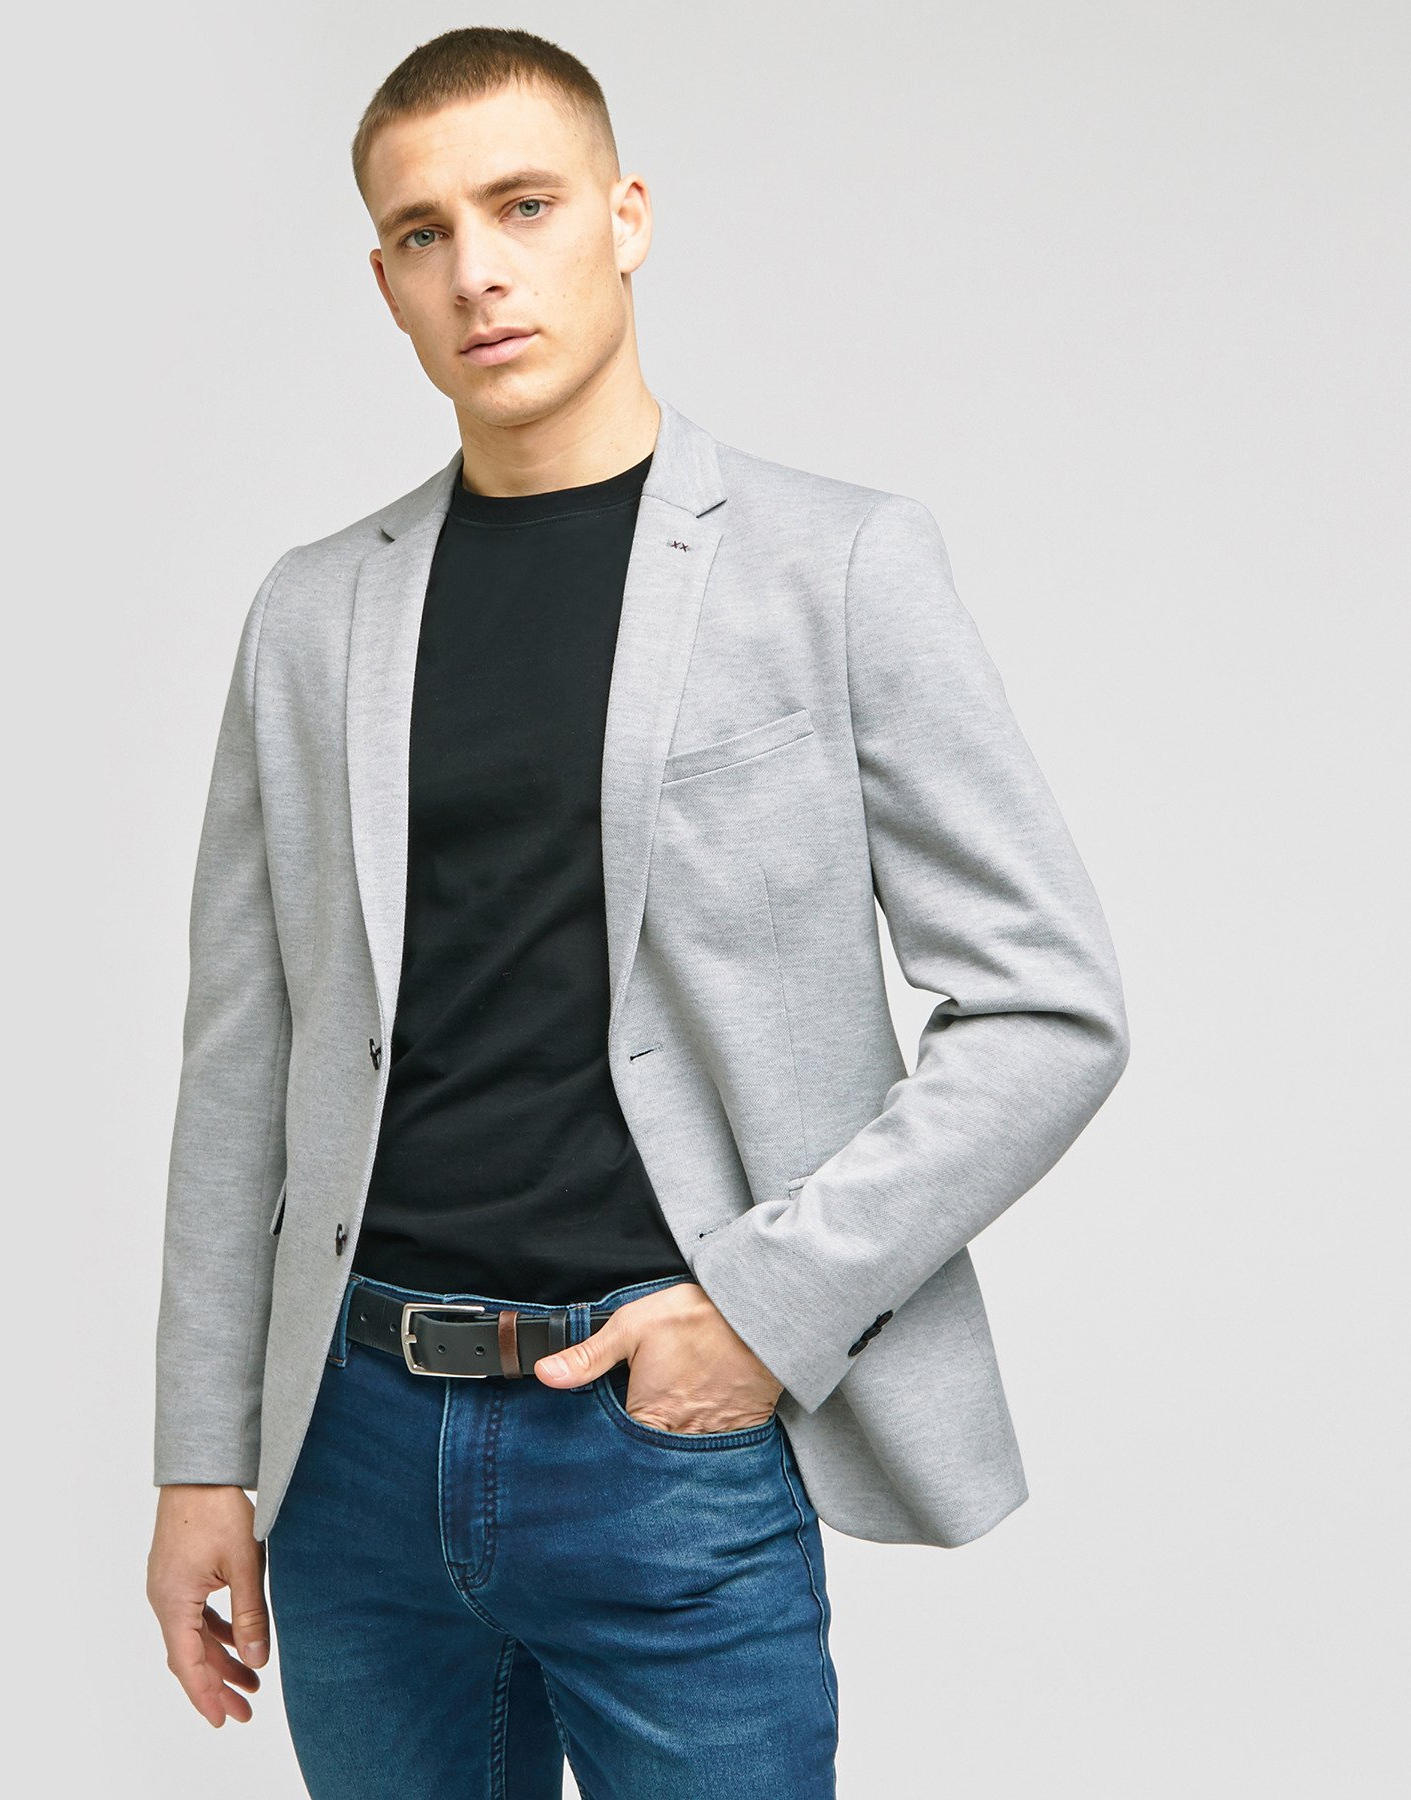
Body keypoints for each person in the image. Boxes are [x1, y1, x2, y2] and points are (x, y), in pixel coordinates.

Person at [145, 26, 1129, 1799]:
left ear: (627, 216)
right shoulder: (311, 616)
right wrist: (201, 1456)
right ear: (387, 282)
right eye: (426, 232)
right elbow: (243, 1059)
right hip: (353, 1451)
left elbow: (1049, 1008)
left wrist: (764, 1309)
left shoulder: (835, 564)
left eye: (524, 206)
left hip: (660, 1441)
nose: (480, 269)